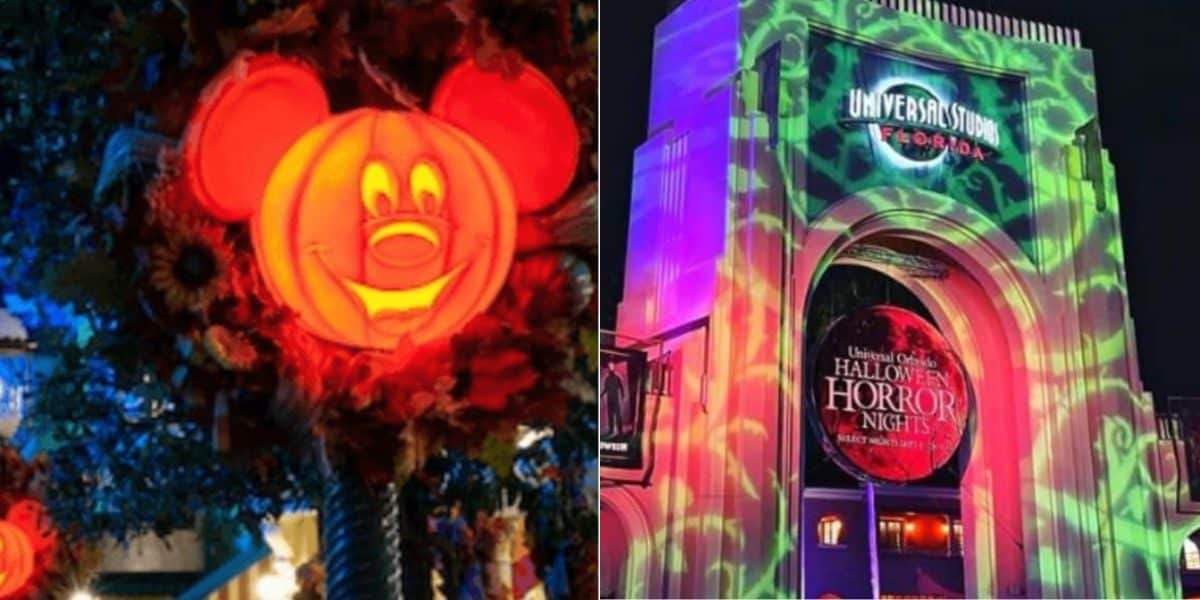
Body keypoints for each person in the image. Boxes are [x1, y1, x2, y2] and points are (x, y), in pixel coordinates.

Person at [601, 362, 626, 439]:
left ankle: (620, 431)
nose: (610, 370)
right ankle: (611, 430)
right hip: (610, 400)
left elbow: (621, 387)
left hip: (616, 400)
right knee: (610, 416)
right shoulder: (607, 379)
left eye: (611, 368)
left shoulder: (617, 378)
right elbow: (605, 389)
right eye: (609, 368)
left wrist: (622, 395)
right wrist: (601, 395)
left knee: (618, 416)